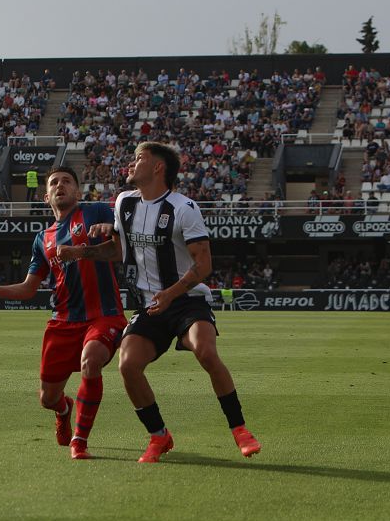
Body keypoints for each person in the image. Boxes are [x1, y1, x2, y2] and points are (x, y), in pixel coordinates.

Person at [60, 142, 261, 463]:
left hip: (187, 300)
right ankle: (159, 436)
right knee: (128, 365)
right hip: (150, 307)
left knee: (205, 350)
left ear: (157, 167)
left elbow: (204, 265)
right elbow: (118, 251)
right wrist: (79, 253)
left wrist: (170, 293)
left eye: (138, 158)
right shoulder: (124, 203)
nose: (130, 163)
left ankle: (239, 430)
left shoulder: (184, 208)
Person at [0, 166, 126, 460]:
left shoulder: (96, 210)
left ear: (77, 190)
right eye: (54, 183)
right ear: (46, 195)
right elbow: (28, 288)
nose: (60, 186)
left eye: (67, 181)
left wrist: (112, 230)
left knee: (92, 359)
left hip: (104, 314)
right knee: (47, 399)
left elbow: (126, 241)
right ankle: (63, 409)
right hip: (62, 322)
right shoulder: (42, 238)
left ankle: (80, 440)